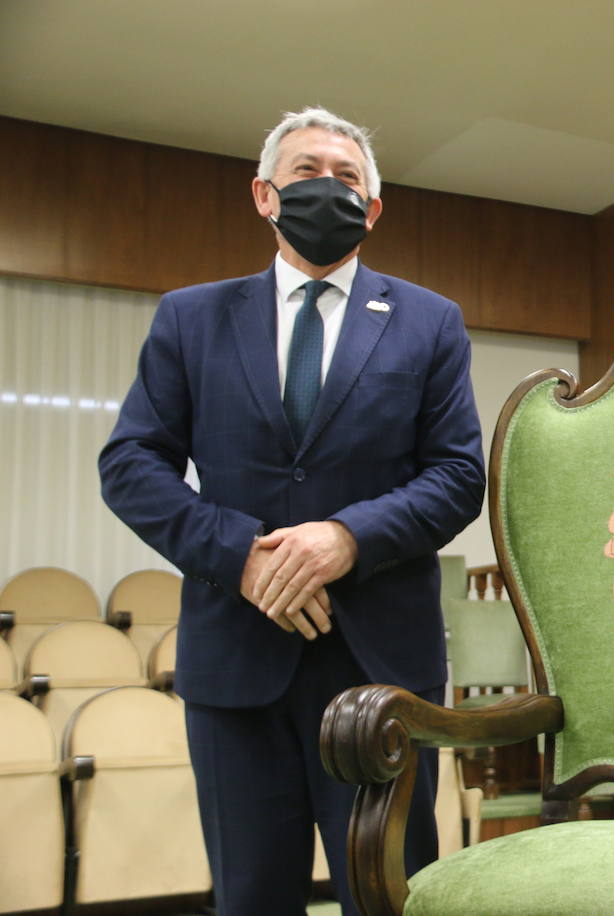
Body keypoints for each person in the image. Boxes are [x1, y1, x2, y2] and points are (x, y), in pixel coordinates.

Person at [99, 107, 485, 915]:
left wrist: (347, 537)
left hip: (381, 670)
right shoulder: (191, 317)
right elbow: (132, 464)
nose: (328, 188)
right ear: (264, 195)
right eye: (306, 172)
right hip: (236, 664)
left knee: (392, 897)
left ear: (373, 210)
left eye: (348, 179)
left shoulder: (430, 321)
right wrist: (243, 554)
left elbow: (456, 475)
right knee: (250, 899)